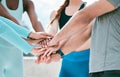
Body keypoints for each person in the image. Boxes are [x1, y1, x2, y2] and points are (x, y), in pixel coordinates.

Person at [38, 0, 120, 77]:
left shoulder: (93, 5)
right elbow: (86, 32)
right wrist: (59, 54)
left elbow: (83, 16)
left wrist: (56, 40)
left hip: (112, 67)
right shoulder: (97, 4)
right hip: (97, 68)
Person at [39, 0, 90, 77]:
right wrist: (46, 43)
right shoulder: (57, 12)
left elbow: (87, 35)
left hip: (87, 62)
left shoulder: (89, 8)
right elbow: (51, 34)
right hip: (67, 62)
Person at [0, 0, 44, 77]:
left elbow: (36, 22)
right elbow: (7, 22)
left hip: (16, 53)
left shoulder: (26, 3)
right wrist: (28, 43)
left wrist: (45, 40)